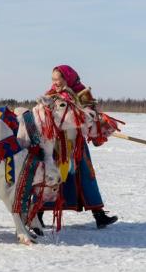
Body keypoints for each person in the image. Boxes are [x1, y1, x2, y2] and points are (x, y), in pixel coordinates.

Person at [43, 65, 118, 229]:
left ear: (67, 78)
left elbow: (91, 116)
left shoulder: (82, 94)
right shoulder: (50, 95)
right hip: (57, 144)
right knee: (50, 178)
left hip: (76, 144)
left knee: (86, 178)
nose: (55, 83)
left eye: (58, 79)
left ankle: (99, 216)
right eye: (53, 79)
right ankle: (37, 214)